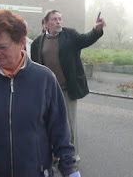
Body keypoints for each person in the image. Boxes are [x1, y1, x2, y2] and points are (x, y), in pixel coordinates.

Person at [0, 10, 80, 177]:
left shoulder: (44, 79)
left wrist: (69, 171)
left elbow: (60, 131)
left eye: (2, 47)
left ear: (22, 42)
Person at [31, 10, 106, 168]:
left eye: (60, 18)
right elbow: (35, 67)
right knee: (48, 125)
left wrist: (97, 29)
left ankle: (72, 159)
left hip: (66, 90)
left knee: (69, 126)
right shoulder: (37, 43)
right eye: (54, 19)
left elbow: (86, 39)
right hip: (47, 92)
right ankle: (52, 157)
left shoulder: (69, 35)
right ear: (45, 23)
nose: (58, 22)